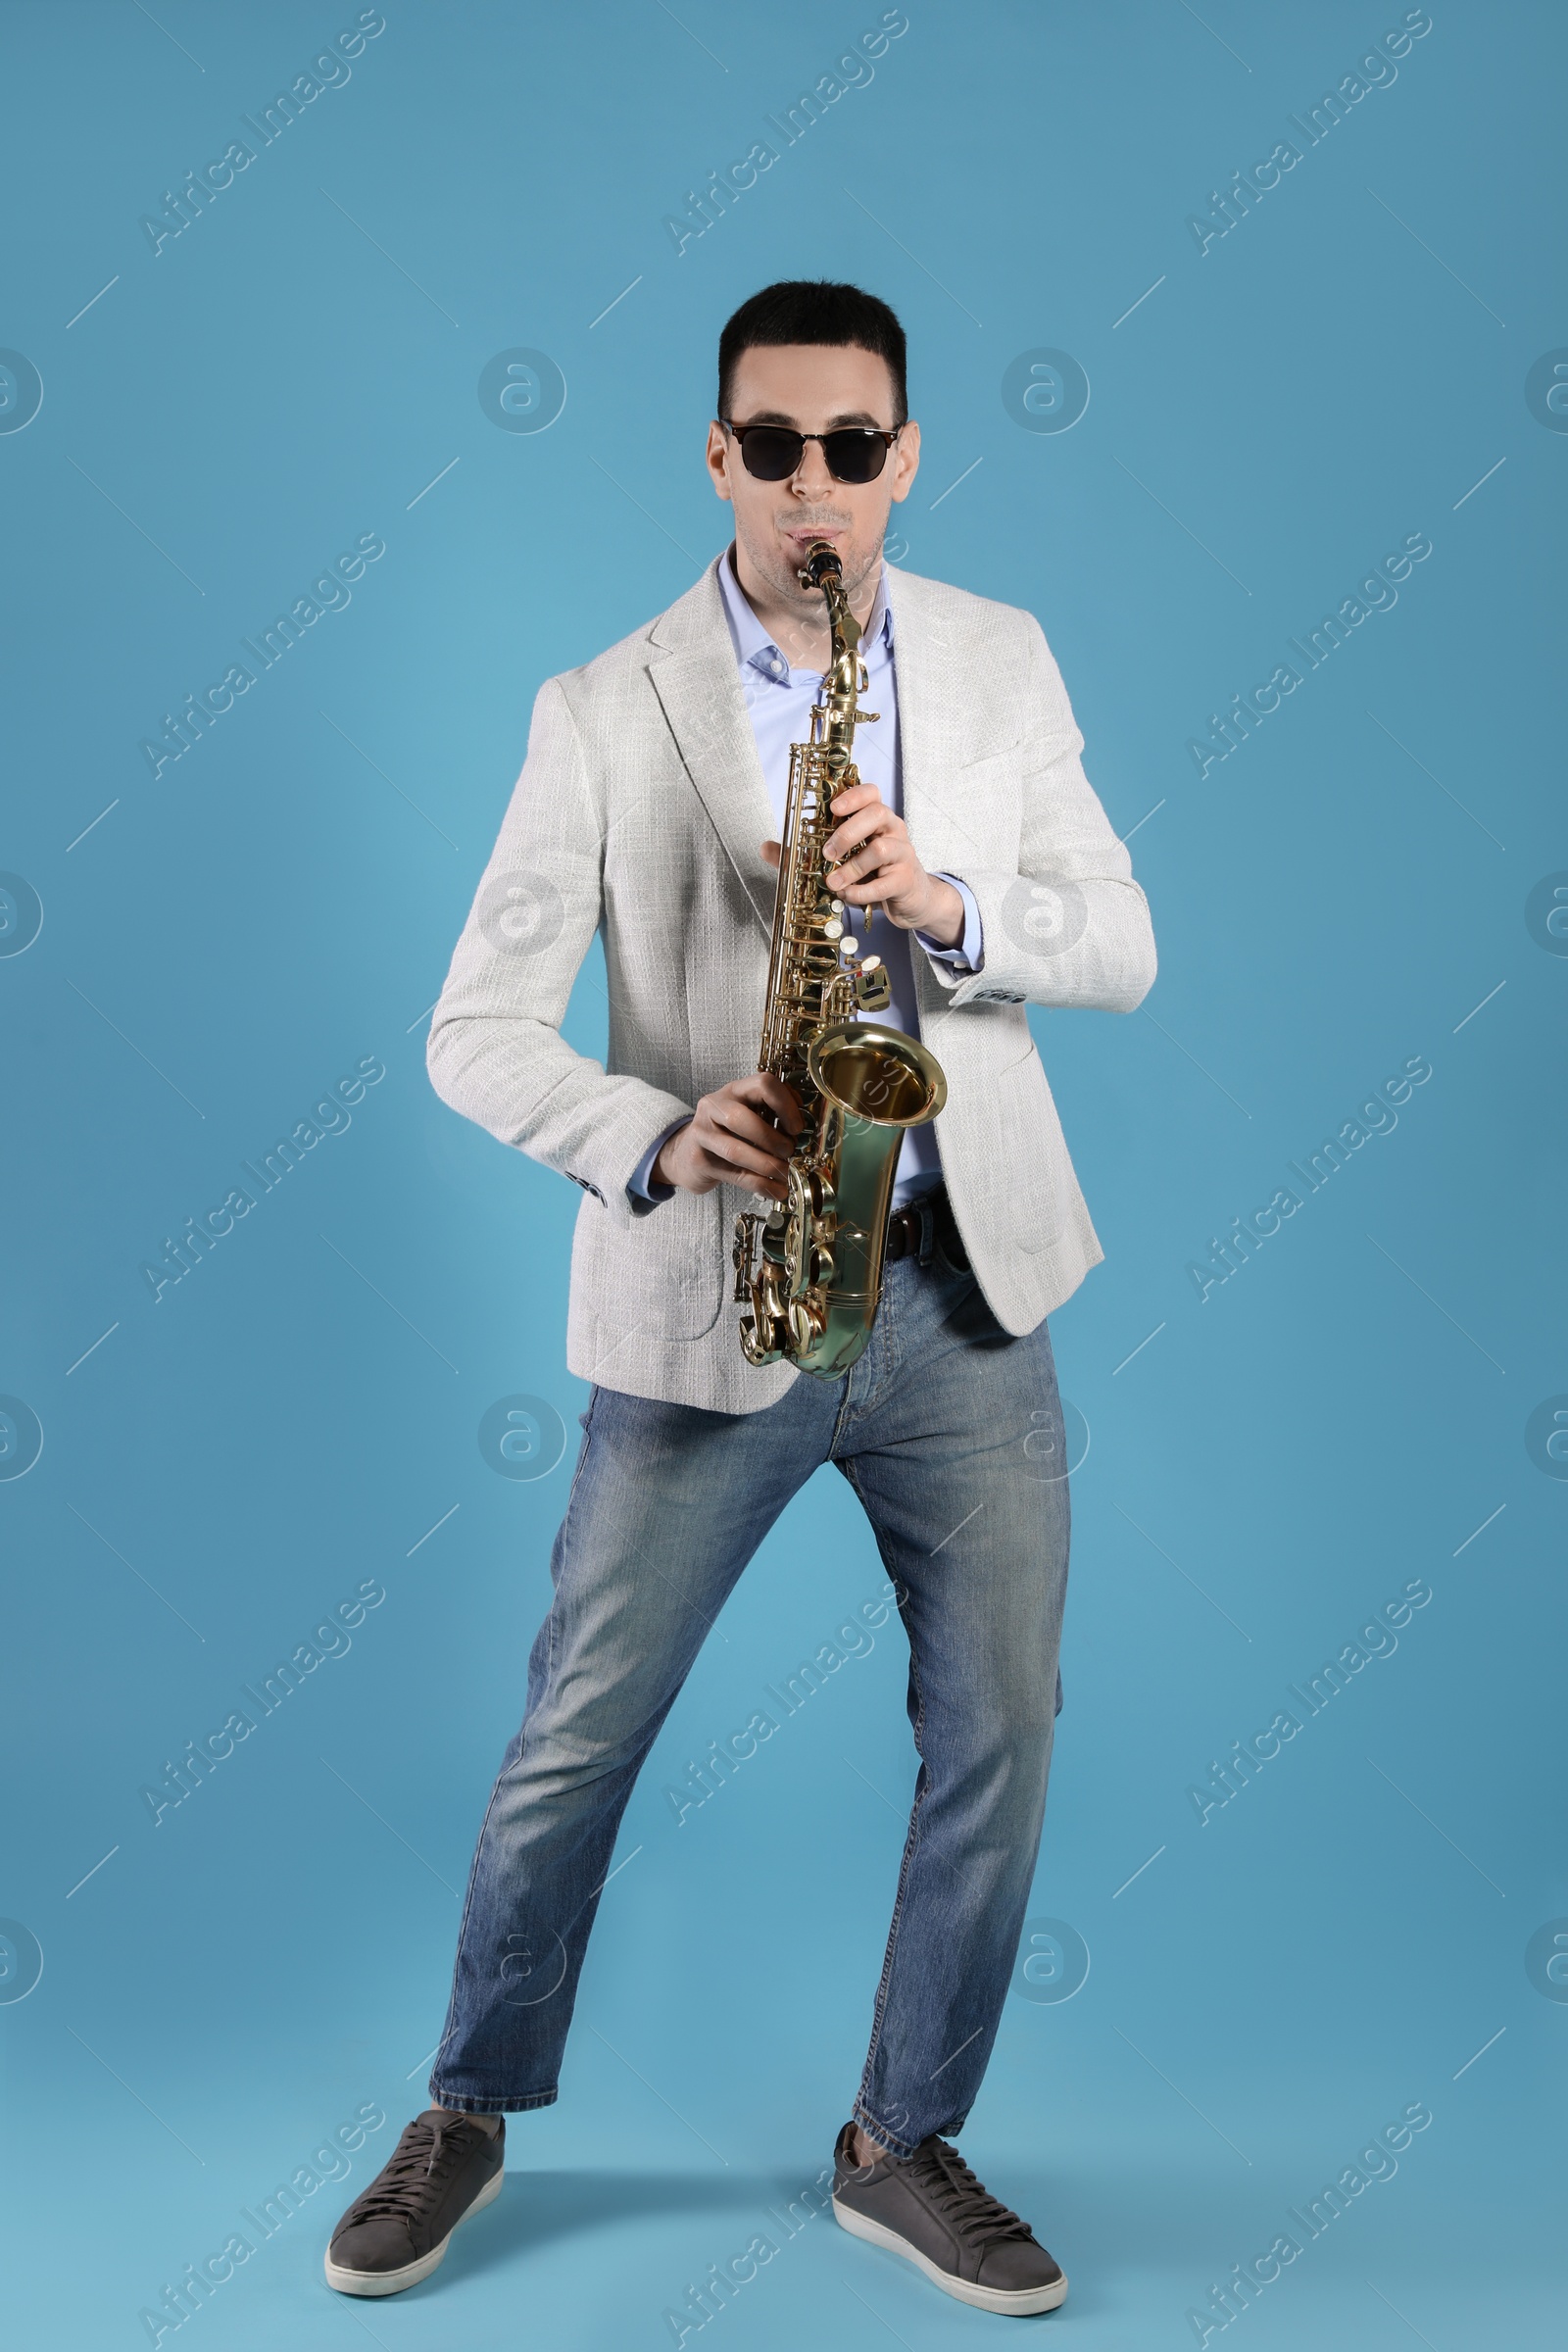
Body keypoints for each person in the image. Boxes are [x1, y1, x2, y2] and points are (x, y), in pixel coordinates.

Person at [324, 279, 1155, 2315]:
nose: (812, 484)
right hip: (713, 1301)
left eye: (849, 447)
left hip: (964, 1287)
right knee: (573, 1738)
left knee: (1002, 1731)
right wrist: (652, 1130)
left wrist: (942, 896)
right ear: (716, 458)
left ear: (902, 458)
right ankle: (470, 2104)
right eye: (769, 446)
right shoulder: (600, 707)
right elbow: (468, 1028)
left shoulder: (990, 659)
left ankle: (905, 2137)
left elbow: (1120, 942)